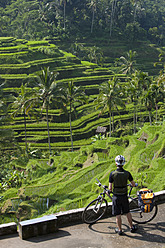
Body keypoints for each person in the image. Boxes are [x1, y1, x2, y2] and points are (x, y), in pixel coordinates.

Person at [108, 155, 138, 235]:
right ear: (123, 164)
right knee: (127, 212)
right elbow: (133, 184)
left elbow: (110, 188)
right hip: (124, 196)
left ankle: (120, 230)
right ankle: (132, 227)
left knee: (118, 214)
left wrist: (109, 191)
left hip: (116, 197)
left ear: (116, 164)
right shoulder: (127, 173)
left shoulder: (112, 174)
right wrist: (135, 185)